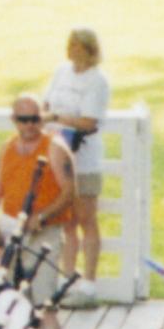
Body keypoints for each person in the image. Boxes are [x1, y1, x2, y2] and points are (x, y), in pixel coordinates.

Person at [43, 25, 110, 286]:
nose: (74, 51)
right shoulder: (61, 72)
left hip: (84, 157)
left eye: (80, 46)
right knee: (66, 220)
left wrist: (57, 117)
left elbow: (89, 121)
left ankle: (90, 279)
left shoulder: (97, 80)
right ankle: (67, 276)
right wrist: (48, 116)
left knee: (86, 219)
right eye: (71, 45)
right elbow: (46, 103)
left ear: (91, 50)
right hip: (58, 154)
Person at [0, 95, 77, 254]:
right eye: (24, 120)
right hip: (11, 228)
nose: (30, 125)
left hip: (45, 231)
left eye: (35, 119)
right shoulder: (7, 147)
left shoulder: (55, 147)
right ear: (14, 119)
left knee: (41, 279)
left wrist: (41, 217)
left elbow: (70, 193)